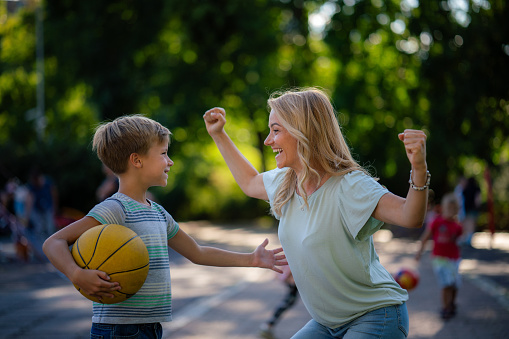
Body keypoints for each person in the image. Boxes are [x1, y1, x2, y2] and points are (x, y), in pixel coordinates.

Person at [203, 87, 429, 338]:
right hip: (326, 324)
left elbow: (411, 217)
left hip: (376, 315)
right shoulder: (286, 182)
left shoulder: (350, 186)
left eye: (275, 130)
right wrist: (218, 134)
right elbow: (249, 182)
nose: (268, 140)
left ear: (304, 131)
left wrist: (418, 169)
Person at [43, 115, 286, 339]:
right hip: (118, 328)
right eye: (163, 153)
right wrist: (76, 274)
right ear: (136, 160)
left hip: (151, 326)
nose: (169, 161)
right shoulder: (116, 209)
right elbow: (53, 242)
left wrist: (251, 259)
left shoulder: (158, 212)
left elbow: (198, 252)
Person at [415, 193, 463, 320]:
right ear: (443, 208)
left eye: (454, 209)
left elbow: (459, 240)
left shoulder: (457, 226)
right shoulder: (437, 221)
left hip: (454, 258)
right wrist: (419, 252)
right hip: (439, 259)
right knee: (446, 283)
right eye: (448, 208)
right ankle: (445, 307)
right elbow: (426, 236)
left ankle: (452, 303)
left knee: (455, 284)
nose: (451, 212)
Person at [259, 265, 299, 339]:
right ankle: (268, 325)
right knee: (289, 301)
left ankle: (268, 324)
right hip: (295, 275)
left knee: (289, 300)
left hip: (294, 274)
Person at [461, 176, 481, 247]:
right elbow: (477, 199)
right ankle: (469, 239)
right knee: (472, 224)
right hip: (473, 208)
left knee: (467, 223)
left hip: (466, 208)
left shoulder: (466, 189)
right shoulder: (476, 188)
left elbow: (462, 198)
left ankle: (467, 238)